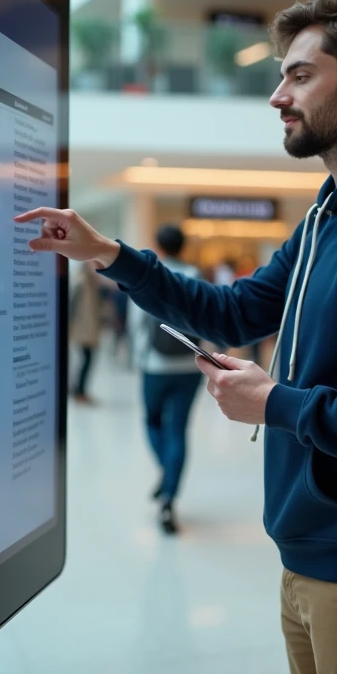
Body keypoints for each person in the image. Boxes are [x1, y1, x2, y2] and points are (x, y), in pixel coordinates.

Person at [19, 0, 337, 674]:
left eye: (299, 75)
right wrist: (108, 253)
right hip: (313, 552)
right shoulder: (330, 214)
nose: (276, 96)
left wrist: (278, 404)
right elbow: (234, 312)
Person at [128, 225, 205, 535]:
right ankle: (169, 497)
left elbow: (138, 320)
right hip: (190, 364)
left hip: (155, 365)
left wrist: (138, 358)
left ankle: (166, 471)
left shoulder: (152, 273)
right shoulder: (195, 273)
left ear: (157, 243)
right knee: (178, 429)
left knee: (152, 421)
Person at [70, 262, 104, 404]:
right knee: (86, 359)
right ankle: (79, 391)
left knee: (86, 359)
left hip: (88, 328)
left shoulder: (90, 280)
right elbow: (72, 307)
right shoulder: (81, 281)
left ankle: (79, 390)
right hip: (82, 329)